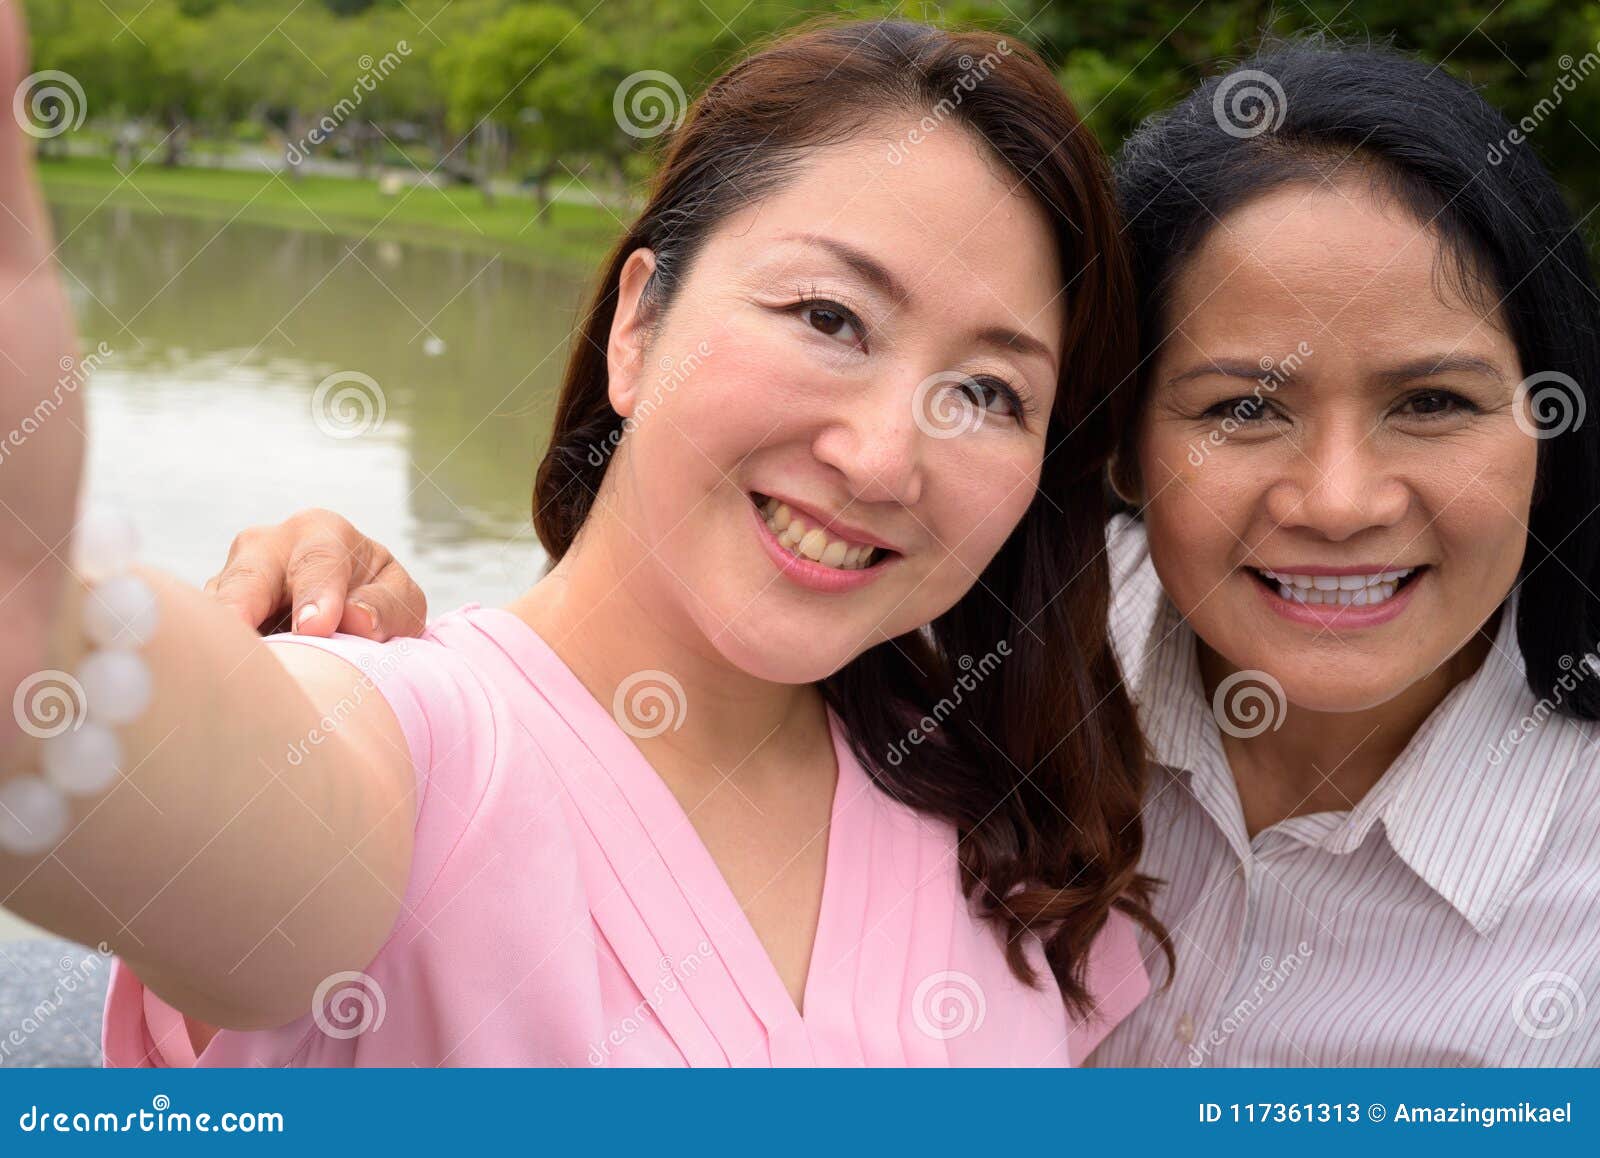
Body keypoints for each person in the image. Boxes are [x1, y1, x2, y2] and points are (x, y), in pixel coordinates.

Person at [233, 40, 1600, 1065]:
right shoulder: (1009, 661)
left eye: (1436, 401)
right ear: (1114, 451)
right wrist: (334, 607)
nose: (1342, 499)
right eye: (1242, 405)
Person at [0, 15, 1163, 1067]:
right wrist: (43, 646)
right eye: (828, 317)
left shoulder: (1021, 843)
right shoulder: (423, 748)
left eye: (986, 393)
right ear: (639, 325)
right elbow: (238, 832)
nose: (881, 459)